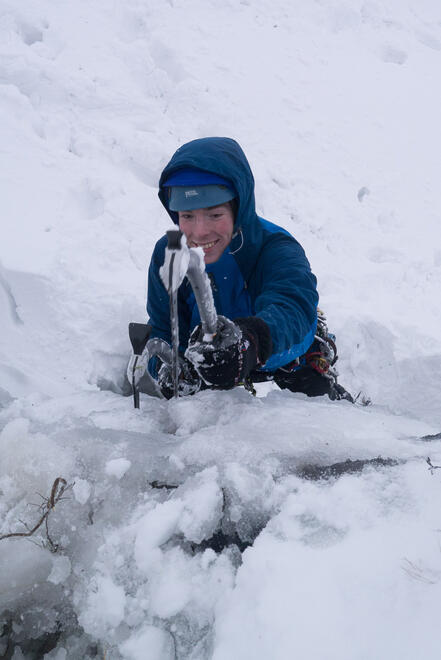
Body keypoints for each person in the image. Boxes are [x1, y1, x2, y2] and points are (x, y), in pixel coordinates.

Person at [146, 136, 353, 401]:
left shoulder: (276, 247)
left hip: (280, 360)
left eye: (214, 215)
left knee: (318, 414)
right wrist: (167, 368)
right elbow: (164, 327)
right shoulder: (170, 253)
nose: (199, 231)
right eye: (187, 216)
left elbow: (293, 309)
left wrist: (251, 342)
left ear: (239, 206)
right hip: (209, 365)